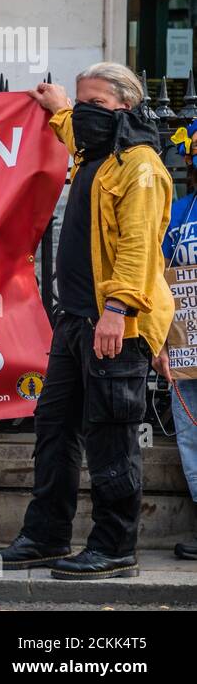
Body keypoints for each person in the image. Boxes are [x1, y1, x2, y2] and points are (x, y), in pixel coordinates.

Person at [0, 63, 172, 579]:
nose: (85, 114)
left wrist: (117, 311)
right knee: (54, 427)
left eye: (98, 105)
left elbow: (138, 249)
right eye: (83, 104)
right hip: (75, 322)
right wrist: (60, 105)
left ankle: (115, 547)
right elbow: (73, 125)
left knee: (110, 436)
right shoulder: (97, 154)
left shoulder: (141, 167)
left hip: (115, 326)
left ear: (126, 109)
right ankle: (46, 536)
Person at [159, 120, 197, 560]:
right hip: (186, 344)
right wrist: (161, 344)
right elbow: (157, 278)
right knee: (190, 435)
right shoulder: (176, 212)